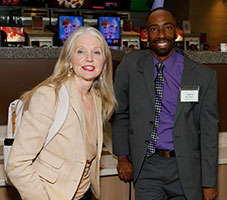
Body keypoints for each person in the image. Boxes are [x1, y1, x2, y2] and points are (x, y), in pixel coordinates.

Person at [112, 8, 219, 200]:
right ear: (145, 35)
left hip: (186, 169)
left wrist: (209, 182)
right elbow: (120, 113)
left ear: (177, 32)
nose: (161, 35)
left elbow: (209, 134)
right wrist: (122, 157)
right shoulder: (130, 65)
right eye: (154, 29)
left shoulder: (204, 76)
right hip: (147, 168)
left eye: (167, 28)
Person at [7, 26, 116, 200]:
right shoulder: (49, 96)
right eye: (81, 51)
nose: (89, 58)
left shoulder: (96, 98)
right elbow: (17, 164)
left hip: (85, 192)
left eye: (96, 52)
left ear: (104, 62)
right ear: (69, 60)